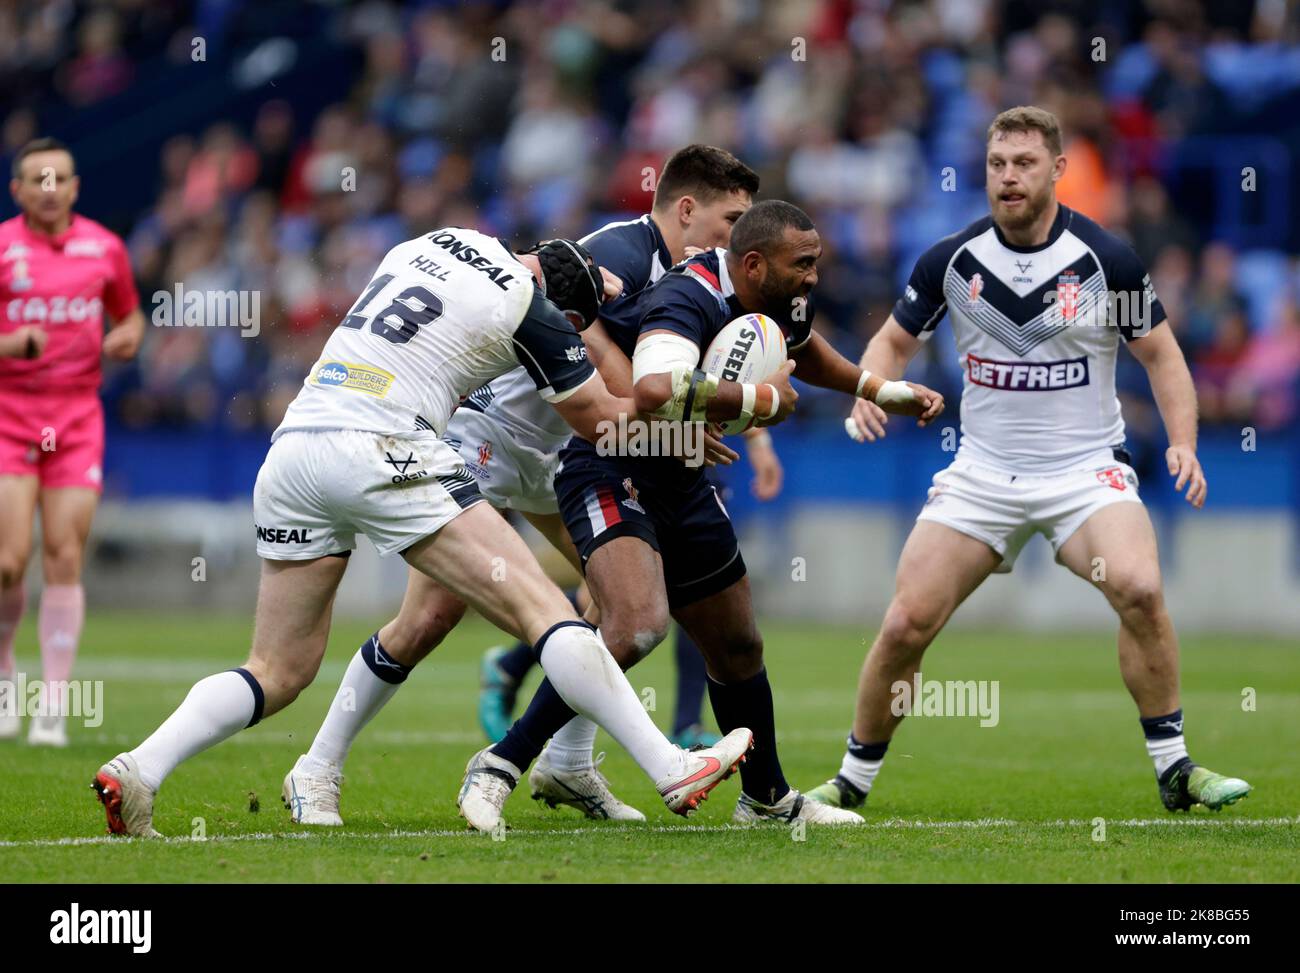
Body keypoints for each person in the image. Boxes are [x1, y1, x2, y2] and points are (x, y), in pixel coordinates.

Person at [92, 229, 752, 837]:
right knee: (548, 613)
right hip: (386, 445)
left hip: (296, 447)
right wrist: (733, 402)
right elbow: (601, 419)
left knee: (276, 668)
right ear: (570, 316)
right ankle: (669, 765)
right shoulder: (536, 313)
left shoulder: (435, 240)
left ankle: (141, 768)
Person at [283, 144, 768, 826]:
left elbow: (695, 368)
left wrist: (719, 419)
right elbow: (624, 391)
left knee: (623, 604)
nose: (737, 238)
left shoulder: (687, 273)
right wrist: (710, 417)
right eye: (730, 220)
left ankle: (568, 764)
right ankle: (318, 765)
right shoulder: (618, 259)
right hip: (491, 436)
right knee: (428, 619)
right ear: (686, 209)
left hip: (562, 454)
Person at [808, 106, 1250, 815]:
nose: (1008, 177)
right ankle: (850, 782)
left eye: (1024, 163)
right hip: (981, 473)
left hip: (1085, 471)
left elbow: (1163, 356)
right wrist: (869, 391)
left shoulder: (1107, 258)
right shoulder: (951, 259)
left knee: (1137, 585)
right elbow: (891, 341)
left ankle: (1175, 766)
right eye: (997, 164)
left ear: (1057, 170)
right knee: (904, 625)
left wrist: (1182, 440)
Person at [461, 199, 944, 831]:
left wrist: (878, 390)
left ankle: (767, 799)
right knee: (635, 625)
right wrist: (760, 400)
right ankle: (501, 764)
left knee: (737, 643)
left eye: (816, 262)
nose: (813, 276)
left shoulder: (781, 294)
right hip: (610, 463)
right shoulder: (687, 295)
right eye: (802, 264)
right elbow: (655, 390)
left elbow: (804, 346)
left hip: (681, 475)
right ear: (753, 264)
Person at [0, 138, 144, 747]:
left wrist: (128, 337)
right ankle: (7, 684)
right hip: (9, 415)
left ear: (76, 187)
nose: (49, 188)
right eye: (37, 178)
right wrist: (11, 345)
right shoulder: (3, 246)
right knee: (8, 562)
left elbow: (130, 315)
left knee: (64, 553)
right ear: (19, 190)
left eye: (59, 177)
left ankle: (52, 706)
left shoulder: (104, 248)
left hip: (76, 418)